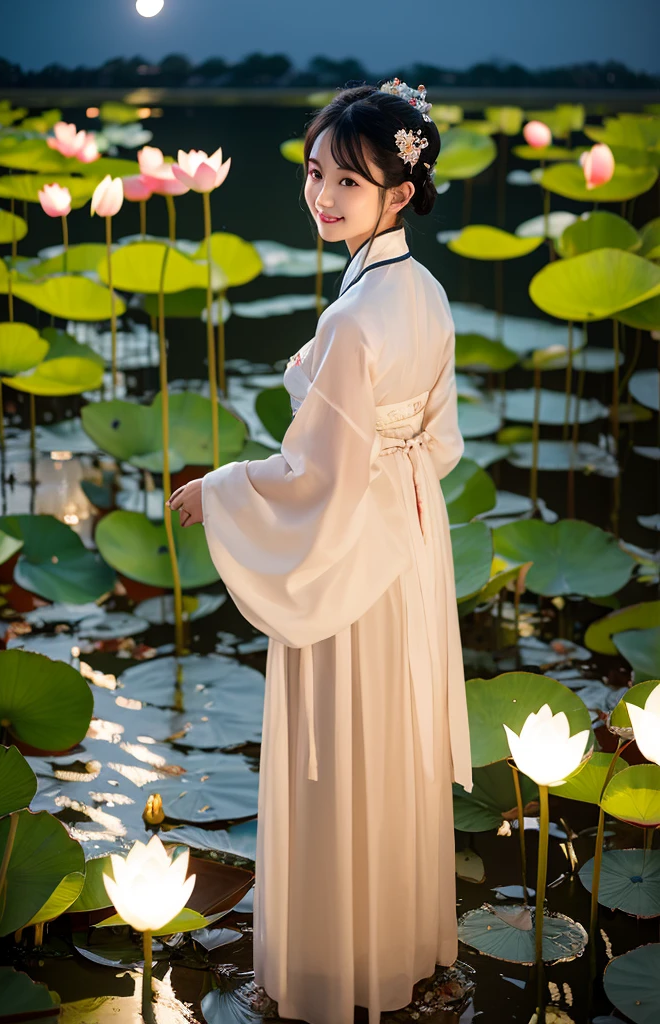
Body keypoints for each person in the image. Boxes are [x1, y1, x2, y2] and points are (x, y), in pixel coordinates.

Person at [167, 79, 473, 1024]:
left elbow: (314, 479)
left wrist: (217, 491)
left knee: (335, 754)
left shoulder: (351, 316)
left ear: (399, 190)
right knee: (392, 747)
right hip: (411, 558)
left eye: (350, 177)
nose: (324, 194)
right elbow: (442, 442)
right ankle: (403, 955)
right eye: (315, 172)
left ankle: (327, 977)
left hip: (351, 561)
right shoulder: (421, 289)